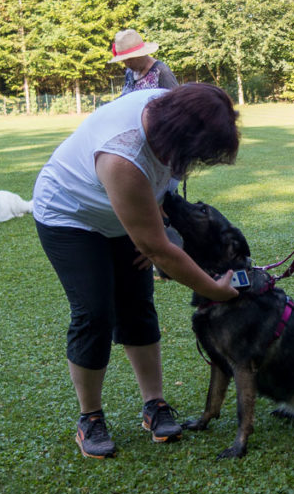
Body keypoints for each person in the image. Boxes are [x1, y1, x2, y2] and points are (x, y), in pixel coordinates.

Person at [33, 82, 241, 459]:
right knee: (94, 312)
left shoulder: (168, 117)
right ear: (180, 137)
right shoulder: (123, 154)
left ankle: (153, 404)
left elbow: (160, 196)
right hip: (71, 216)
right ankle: (90, 418)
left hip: (126, 213)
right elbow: (158, 248)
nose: (196, 162)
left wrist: (157, 237)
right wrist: (213, 289)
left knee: (137, 305)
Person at [109, 28, 179, 95]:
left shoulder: (161, 71)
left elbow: (176, 100)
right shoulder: (130, 72)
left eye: (130, 59)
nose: (127, 64)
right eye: (124, 61)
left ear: (141, 54)